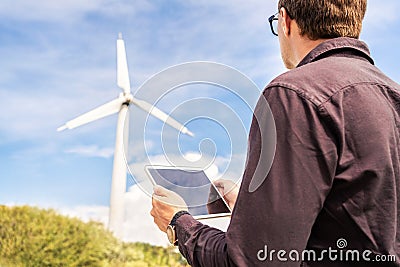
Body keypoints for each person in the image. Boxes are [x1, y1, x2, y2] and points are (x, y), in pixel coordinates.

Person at [150, 0, 400, 266]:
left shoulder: (294, 93)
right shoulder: (393, 96)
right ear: (356, 22)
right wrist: (255, 213)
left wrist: (178, 224)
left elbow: (254, 261)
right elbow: (358, 226)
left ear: (284, 20)